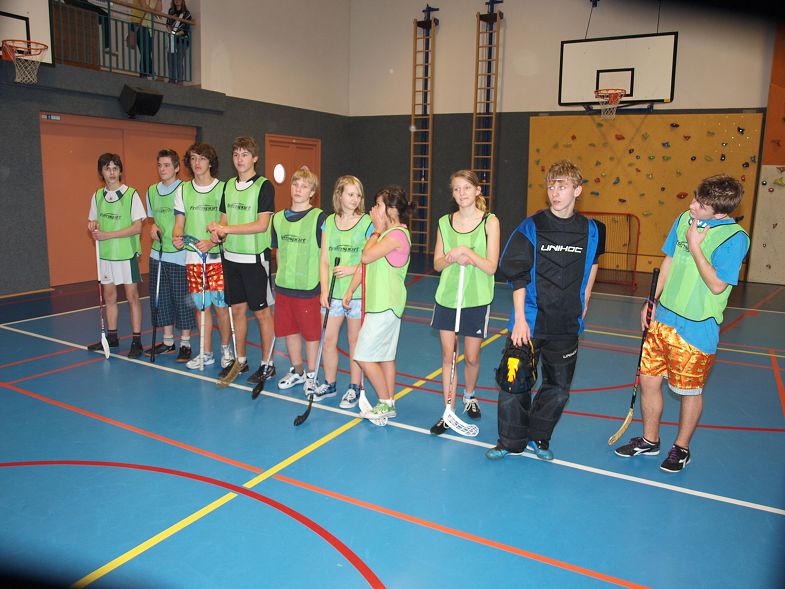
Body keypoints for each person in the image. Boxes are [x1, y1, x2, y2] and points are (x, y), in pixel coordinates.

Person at [614, 175, 749, 472]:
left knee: (689, 391)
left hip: (697, 328)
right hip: (664, 317)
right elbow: (669, 261)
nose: (692, 206)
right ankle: (650, 440)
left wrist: (696, 246)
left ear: (720, 213)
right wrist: (652, 300)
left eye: (701, 205)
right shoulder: (684, 218)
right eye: (695, 199)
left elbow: (717, 285)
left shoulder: (735, 238)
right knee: (649, 381)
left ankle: (681, 448)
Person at [486, 159, 605, 461]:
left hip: (566, 324)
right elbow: (517, 274)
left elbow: (592, 263)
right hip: (529, 320)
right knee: (514, 381)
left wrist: (585, 303)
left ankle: (539, 436)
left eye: (562, 186)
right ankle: (510, 441)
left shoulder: (592, 230)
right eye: (551, 186)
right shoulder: (531, 227)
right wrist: (519, 320)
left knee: (559, 388)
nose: (555, 192)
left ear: (577, 190)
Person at [429, 170, 500, 435]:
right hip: (448, 298)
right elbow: (437, 264)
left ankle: (469, 395)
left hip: (476, 298)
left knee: (471, 357)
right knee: (449, 356)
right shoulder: (444, 222)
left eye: (467, 188)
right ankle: (448, 411)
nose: (462, 193)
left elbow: (491, 266)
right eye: (457, 189)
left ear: (477, 190)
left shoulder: (490, 222)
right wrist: (451, 257)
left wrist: (467, 253)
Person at [207, 136, 275, 384]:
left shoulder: (264, 186)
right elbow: (224, 220)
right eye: (236, 154)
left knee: (262, 313)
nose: (239, 159)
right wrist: (217, 232)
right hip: (230, 258)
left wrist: (226, 229)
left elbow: (261, 224)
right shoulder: (228, 186)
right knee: (237, 310)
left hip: (255, 260)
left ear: (255, 158)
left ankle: (268, 364)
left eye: (245, 154)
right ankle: (241, 360)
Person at [343, 185, 413, 420]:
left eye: (378, 205)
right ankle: (389, 401)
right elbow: (365, 267)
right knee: (385, 357)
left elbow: (365, 256)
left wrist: (375, 230)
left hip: (385, 305)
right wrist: (351, 289)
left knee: (363, 355)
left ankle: (384, 402)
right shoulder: (386, 235)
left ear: (391, 210)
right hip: (381, 305)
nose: (373, 209)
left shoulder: (396, 236)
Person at [311, 176, 373, 406]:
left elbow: (370, 259)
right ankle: (329, 383)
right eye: (350, 194)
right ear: (339, 195)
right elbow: (324, 260)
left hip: (356, 294)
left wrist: (351, 269)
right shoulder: (328, 222)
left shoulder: (367, 223)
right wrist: (323, 290)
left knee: (354, 341)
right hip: (333, 293)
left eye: (358, 195)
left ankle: (354, 387)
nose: (355, 199)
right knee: (328, 339)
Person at [172, 143, 232, 371]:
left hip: (217, 258)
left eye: (202, 158)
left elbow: (225, 223)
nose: (197, 163)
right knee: (201, 307)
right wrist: (177, 237)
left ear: (210, 162)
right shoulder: (183, 190)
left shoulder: (223, 189)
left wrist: (212, 241)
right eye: (193, 158)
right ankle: (206, 353)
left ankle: (226, 351)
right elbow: (179, 223)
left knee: (221, 306)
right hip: (193, 259)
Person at [271, 166, 328, 395]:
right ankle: (298, 370)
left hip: (309, 288)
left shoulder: (319, 218)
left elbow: (324, 255)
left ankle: (312, 375)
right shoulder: (277, 219)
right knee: (290, 331)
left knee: (311, 334)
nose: (298, 189)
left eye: (304, 186)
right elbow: (277, 252)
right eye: (295, 184)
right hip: (285, 286)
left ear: (312, 192)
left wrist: (324, 288)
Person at [87, 153, 146, 358]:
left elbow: (137, 227)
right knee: (110, 297)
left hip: (126, 255)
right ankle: (112, 338)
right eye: (107, 168)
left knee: (132, 297)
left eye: (115, 168)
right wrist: (92, 225)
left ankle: (137, 341)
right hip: (105, 256)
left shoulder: (131, 194)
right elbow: (93, 221)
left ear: (120, 171)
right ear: (101, 172)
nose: (111, 172)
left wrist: (108, 235)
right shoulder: (97, 196)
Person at [145, 148, 196, 362]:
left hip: (180, 255)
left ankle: (185, 343)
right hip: (158, 254)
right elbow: (153, 220)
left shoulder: (185, 189)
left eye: (167, 165)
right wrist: (153, 228)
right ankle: (167, 342)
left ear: (176, 168)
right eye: (159, 165)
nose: (162, 169)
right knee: (162, 299)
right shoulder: (151, 191)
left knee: (183, 301)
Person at [131, 0, 161, 79]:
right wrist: (154, 12)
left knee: (146, 52)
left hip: (149, 27)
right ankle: (149, 71)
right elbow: (144, 7)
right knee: (145, 51)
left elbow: (159, 13)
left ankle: (143, 75)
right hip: (138, 24)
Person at [166, 0, 191, 84]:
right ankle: (172, 80)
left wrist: (174, 34)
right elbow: (168, 24)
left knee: (179, 60)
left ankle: (180, 81)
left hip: (182, 40)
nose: (177, 0)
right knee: (170, 60)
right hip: (172, 39)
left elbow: (185, 30)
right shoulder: (171, 11)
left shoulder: (187, 13)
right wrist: (171, 33)